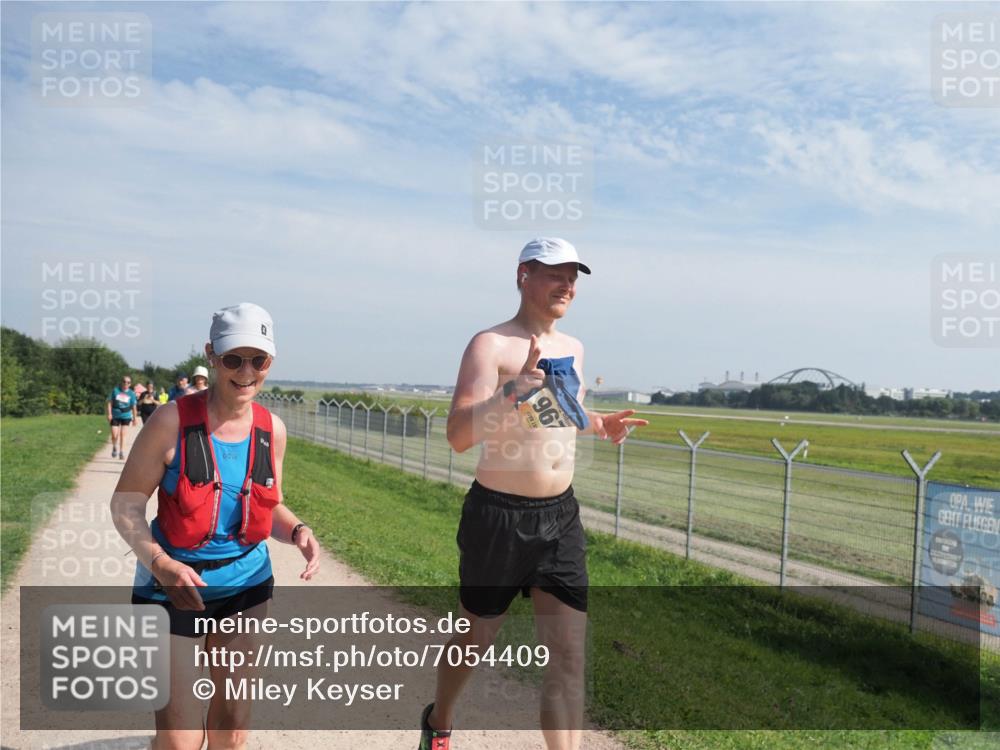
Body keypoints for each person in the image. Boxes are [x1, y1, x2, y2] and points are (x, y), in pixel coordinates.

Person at [418, 238, 647, 750]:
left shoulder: (574, 347)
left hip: (559, 517)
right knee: (476, 639)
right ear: (523, 274)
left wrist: (597, 423)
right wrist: (510, 391)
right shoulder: (490, 345)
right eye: (554, 274)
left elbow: (555, 413)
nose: (567, 284)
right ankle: (440, 721)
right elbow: (458, 435)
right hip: (498, 516)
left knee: (567, 657)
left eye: (574, 276)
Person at [110, 302, 320, 750]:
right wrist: (162, 565)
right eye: (233, 359)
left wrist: (298, 530)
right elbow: (125, 506)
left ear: (270, 362)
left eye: (257, 360)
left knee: (233, 726)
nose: (246, 371)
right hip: (169, 587)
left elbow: (269, 507)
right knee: (179, 738)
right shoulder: (170, 423)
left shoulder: (272, 429)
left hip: (245, 583)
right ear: (211, 354)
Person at [106, 374, 138, 460]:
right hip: (115, 415)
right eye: (124, 382)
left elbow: (134, 407)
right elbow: (109, 402)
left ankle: (121, 452)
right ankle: (114, 446)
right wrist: (109, 414)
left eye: (128, 382)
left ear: (130, 384)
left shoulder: (131, 394)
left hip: (126, 415)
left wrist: (135, 418)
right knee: (114, 434)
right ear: (121, 382)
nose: (126, 384)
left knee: (123, 434)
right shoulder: (115, 391)